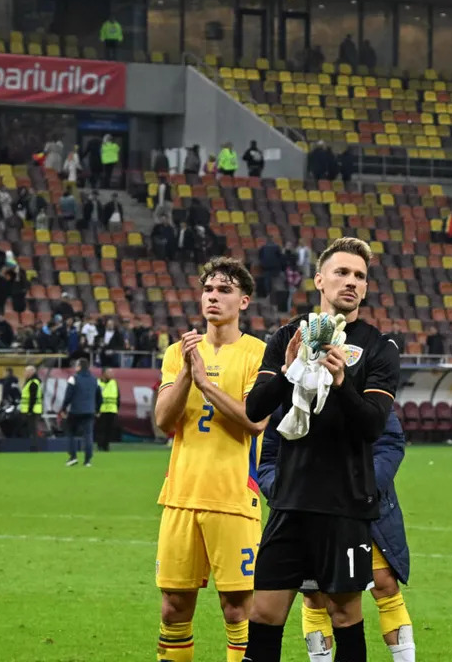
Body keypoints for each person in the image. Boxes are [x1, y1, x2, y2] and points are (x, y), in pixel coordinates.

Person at [243, 237, 401, 662]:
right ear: (319, 279)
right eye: (342, 272)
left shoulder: (379, 348)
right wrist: (287, 369)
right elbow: (254, 409)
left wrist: (343, 383)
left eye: (360, 277)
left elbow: (371, 425)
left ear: (366, 289)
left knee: (345, 614)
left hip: (345, 505)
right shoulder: (286, 335)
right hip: (292, 502)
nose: (351, 282)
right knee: (264, 612)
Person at [152, 257, 267, 662]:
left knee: (237, 609)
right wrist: (187, 372)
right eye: (208, 289)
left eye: (225, 290)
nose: (213, 297)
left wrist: (206, 383)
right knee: (173, 607)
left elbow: (256, 420)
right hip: (181, 496)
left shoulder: (258, 354)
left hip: (234, 499)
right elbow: (163, 421)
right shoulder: (177, 352)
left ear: (244, 301)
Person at [259, 409, 414, 662]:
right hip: (304, 511)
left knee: (385, 585)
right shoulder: (291, 390)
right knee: (314, 595)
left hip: (363, 510)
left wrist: (362, 490)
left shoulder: (364, 384)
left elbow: (389, 444)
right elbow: (268, 458)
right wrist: (284, 492)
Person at [60, 358, 100, 467]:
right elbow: (99, 396)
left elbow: (68, 395)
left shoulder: (74, 378)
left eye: (76, 365)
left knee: (70, 433)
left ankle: (73, 457)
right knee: (88, 435)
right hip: (90, 411)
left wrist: (63, 409)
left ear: (80, 367)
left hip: (76, 411)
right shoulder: (94, 379)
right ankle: (87, 461)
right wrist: (98, 409)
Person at [19, 365, 43, 438]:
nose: (25, 373)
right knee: (30, 430)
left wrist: (30, 410)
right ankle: (31, 446)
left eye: (26, 372)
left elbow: (33, 397)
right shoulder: (31, 382)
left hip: (32, 411)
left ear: (31, 372)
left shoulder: (33, 382)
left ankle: (35, 447)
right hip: (29, 410)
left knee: (33, 430)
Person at [96, 372, 118, 452]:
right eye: (109, 373)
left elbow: (118, 396)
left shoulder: (114, 383)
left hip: (111, 410)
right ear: (103, 374)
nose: (111, 374)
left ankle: (106, 446)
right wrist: (96, 409)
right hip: (101, 410)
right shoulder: (97, 383)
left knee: (109, 429)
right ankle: (100, 445)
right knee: (100, 429)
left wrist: (117, 409)